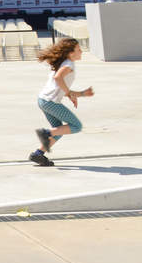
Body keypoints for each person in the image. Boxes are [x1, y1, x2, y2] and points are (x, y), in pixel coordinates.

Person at [30, 37, 94, 167]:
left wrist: (79, 94)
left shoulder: (66, 63)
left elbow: (60, 85)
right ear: (71, 53)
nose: (81, 52)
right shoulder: (68, 65)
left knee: (59, 130)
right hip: (50, 102)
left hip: (44, 100)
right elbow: (58, 78)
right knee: (76, 126)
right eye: (78, 49)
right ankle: (45, 133)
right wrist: (70, 94)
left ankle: (38, 154)